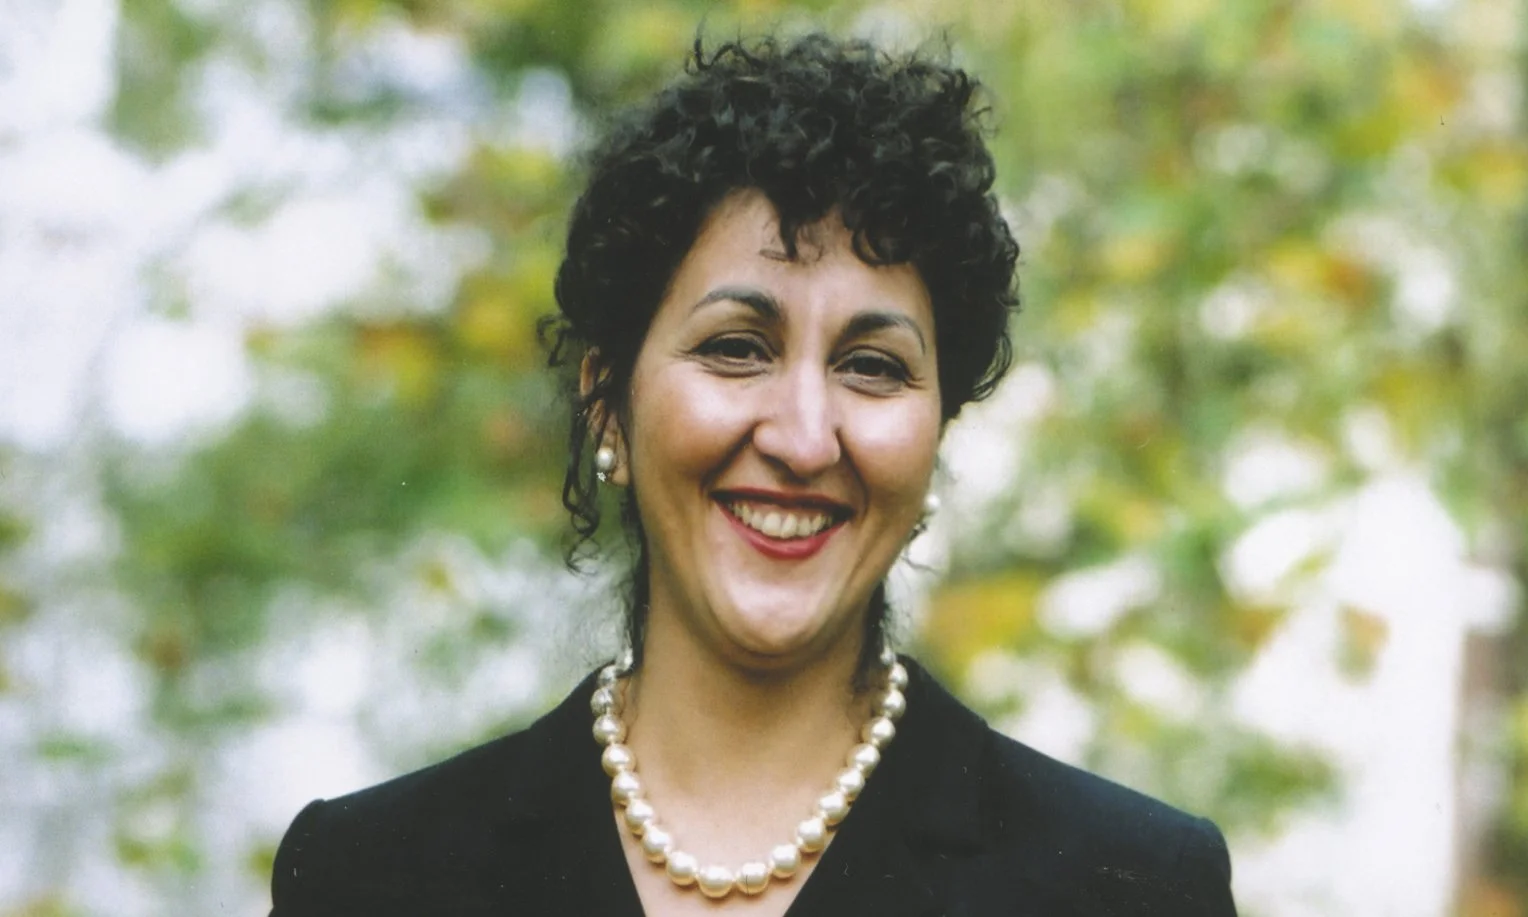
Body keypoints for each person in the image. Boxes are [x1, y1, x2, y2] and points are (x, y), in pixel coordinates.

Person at [269, 33, 1238, 917]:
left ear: (937, 429)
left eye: (873, 365)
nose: (806, 436)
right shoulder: (373, 875)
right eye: (737, 347)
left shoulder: (1131, 884)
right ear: (607, 399)